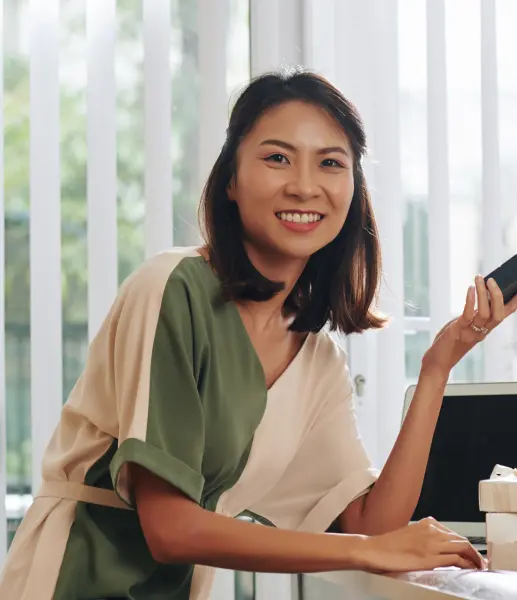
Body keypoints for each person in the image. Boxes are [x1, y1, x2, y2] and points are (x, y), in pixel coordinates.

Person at [1, 69, 515, 600]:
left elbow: (372, 522)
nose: (304, 185)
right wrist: (366, 550)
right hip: (69, 582)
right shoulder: (172, 288)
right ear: (231, 180)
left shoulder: (316, 359)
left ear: (352, 189)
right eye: (277, 157)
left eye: (331, 163)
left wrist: (438, 367)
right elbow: (169, 527)